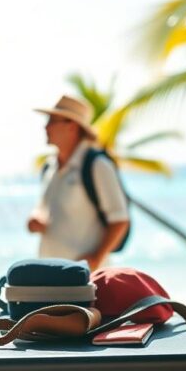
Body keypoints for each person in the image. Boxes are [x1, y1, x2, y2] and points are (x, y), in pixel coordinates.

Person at [28, 95, 130, 270]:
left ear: (72, 126)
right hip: (50, 276)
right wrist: (35, 220)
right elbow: (43, 209)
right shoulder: (49, 166)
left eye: (52, 120)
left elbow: (120, 220)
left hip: (86, 280)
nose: (46, 127)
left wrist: (97, 257)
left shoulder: (97, 165)